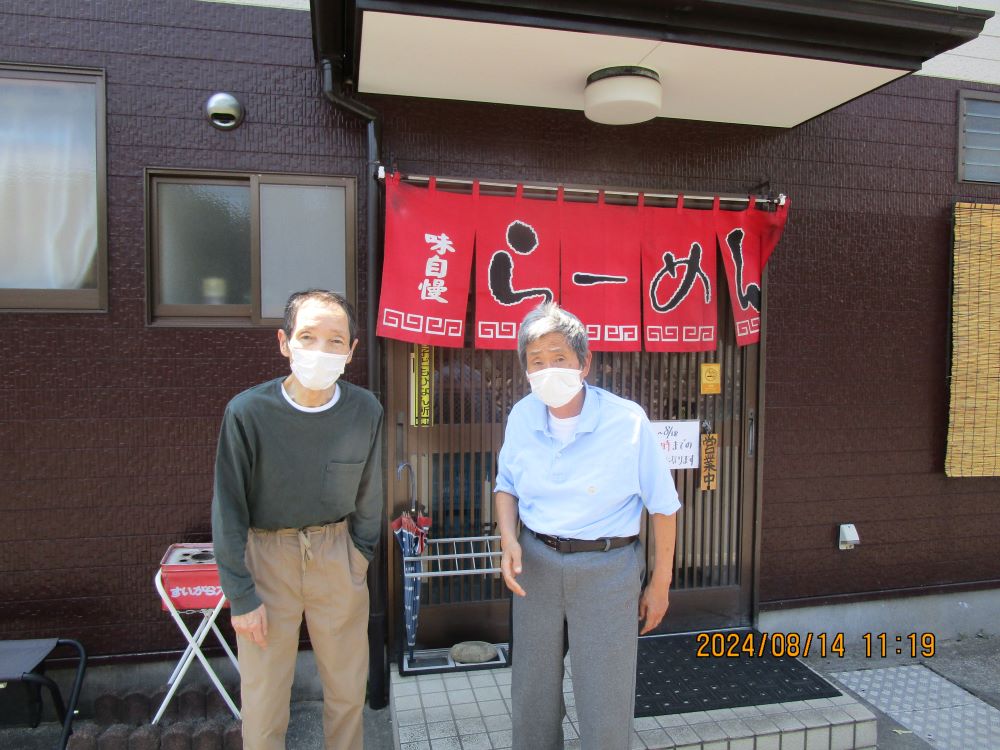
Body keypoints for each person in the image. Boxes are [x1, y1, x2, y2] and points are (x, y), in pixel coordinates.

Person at [495, 302, 681, 750]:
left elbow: (664, 506)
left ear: (585, 362)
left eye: (559, 358)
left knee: (606, 701)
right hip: (535, 564)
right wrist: (507, 540)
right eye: (536, 361)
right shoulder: (522, 415)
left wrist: (660, 583)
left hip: (607, 568)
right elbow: (506, 487)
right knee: (532, 695)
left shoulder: (626, 421)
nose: (547, 370)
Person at [211, 289, 383, 750]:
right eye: (307, 336)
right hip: (266, 558)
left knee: (348, 692)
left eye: (334, 340)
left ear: (351, 350)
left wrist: (359, 557)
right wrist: (240, 595)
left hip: (336, 553)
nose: (321, 350)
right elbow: (228, 508)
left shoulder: (364, 409)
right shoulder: (248, 413)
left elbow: (370, 493)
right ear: (284, 342)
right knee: (265, 701)